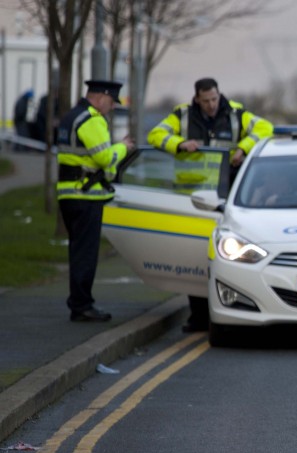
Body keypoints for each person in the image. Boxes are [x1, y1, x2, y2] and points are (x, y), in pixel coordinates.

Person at [147, 77, 274, 333]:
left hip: (225, 198)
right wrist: (179, 144)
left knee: (224, 256)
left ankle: (225, 308)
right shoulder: (182, 115)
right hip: (192, 199)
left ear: (219, 94)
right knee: (193, 256)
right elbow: (155, 135)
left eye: (214, 99)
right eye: (205, 101)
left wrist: (243, 147)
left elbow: (265, 128)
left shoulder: (235, 113)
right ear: (197, 99)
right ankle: (198, 317)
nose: (211, 105)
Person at [56, 80, 135, 322]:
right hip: (85, 197)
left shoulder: (72, 116)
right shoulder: (91, 118)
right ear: (101, 97)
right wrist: (123, 147)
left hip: (69, 193)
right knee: (85, 253)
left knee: (78, 250)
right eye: (111, 102)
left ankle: (79, 302)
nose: (111, 107)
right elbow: (104, 157)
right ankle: (82, 306)